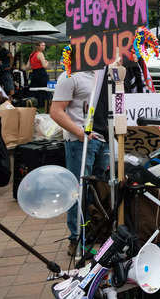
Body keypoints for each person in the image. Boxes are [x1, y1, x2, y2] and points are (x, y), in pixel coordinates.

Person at [49, 63, 110, 257]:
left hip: (103, 139)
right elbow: (56, 111)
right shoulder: (70, 75)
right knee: (78, 190)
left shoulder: (103, 74)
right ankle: (77, 238)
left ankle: (94, 233)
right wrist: (80, 133)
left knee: (98, 190)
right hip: (80, 141)